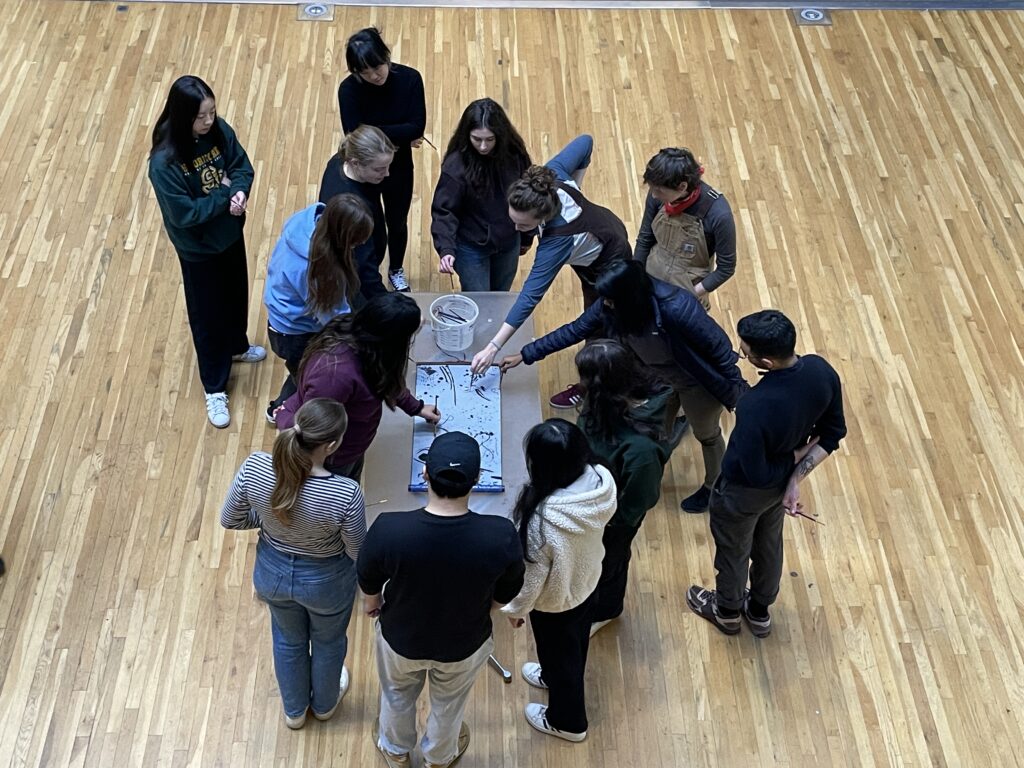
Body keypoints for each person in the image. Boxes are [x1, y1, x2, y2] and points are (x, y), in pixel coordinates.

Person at [500, 260, 748, 513]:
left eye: (609, 299)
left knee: (707, 435)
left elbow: (720, 351)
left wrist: (740, 396)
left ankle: (713, 487)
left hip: (695, 382)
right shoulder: (613, 303)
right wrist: (526, 354)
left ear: (630, 295)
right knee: (658, 428)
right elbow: (575, 329)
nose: (603, 303)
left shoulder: (677, 307)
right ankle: (663, 447)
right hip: (658, 380)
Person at [357, 432, 525, 768]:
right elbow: (506, 593)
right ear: (477, 479)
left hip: (401, 638)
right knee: (449, 704)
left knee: (397, 695)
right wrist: (483, 608)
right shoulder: (500, 534)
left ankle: (395, 750)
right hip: (464, 644)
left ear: (424, 475)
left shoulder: (390, 528)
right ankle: (438, 758)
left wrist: (372, 604)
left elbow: (368, 580)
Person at [686, 310, 846, 638]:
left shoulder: (754, 406)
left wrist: (793, 457)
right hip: (777, 489)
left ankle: (727, 612)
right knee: (769, 544)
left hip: (742, 491)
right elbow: (832, 434)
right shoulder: (821, 371)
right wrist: (793, 481)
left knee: (733, 550)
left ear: (766, 363)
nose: (741, 355)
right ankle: (759, 613)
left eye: (745, 352)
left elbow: (756, 472)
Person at [220, 398, 367, 729]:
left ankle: (295, 713)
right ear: (332, 445)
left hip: (271, 574)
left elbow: (230, 518)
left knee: (287, 640)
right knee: (329, 642)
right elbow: (357, 552)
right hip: (327, 583)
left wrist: (271, 523)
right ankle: (326, 706)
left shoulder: (255, 467)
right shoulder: (346, 493)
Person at [468, 134, 632, 409]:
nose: (516, 229)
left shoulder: (557, 242)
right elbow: (586, 142)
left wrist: (493, 347)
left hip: (608, 267)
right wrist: (577, 185)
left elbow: (530, 296)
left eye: (523, 225)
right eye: (513, 220)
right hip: (604, 234)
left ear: (542, 217)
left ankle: (592, 388)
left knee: (597, 334)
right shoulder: (547, 179)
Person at [148, 75, 265, 428]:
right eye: (202, 116)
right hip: (198, 249)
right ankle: (215, 387)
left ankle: (236, 345)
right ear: (183, 116)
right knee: (207, 314)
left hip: (229, 234)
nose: (210, 120)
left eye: (212, 112)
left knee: (236, 295)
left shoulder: (217, 131)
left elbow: (241, 166)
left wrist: (240, 191)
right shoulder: (164, 163)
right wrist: (223, 196)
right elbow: (185, 214)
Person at [501, 419, 616, 742]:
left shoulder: (543, 519)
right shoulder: (600, 479)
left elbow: (533, 576)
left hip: (556, 601)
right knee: (573, 645)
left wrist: (516, 610)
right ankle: (551, 674)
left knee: (563, 657)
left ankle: (568, 723)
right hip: (587, 580)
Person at [574, 341, 686, 636]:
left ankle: (605, 610)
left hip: (613, 521)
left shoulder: (641, 451)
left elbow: (639, 501)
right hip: (594, 502)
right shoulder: (602, 404)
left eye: (583, 377)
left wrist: (608, 524)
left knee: (610, 563)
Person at [274, 293, 440, 480]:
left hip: (351, 446)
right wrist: (285, 418)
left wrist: (416, 407)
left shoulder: (369, 341)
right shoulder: (334, 376)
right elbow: (312, 427)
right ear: (393, 339)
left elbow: (383, 375)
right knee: (342, 500)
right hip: (333, 458)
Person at [264, 194, 373, 420]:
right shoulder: (318, 270)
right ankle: (280, 410)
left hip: (287, 316)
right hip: (293, 332)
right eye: (356, 241)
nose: (360, 245)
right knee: (308, 376)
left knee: (302, 369)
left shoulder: (308, 222)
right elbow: (335, 321)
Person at [339, 27, 426, 293]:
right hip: (364, 170)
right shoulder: (349, 90)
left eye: (377, 67)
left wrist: (374, 129)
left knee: (397, 223)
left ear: (386, 56)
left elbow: (416, 128)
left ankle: (396, 269)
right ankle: (371, 275)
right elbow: (353, 135)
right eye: (365, 72)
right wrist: (399, 134)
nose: (374, 76)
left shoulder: (410, 79)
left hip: (399, 168)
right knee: (370, 225)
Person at [431, 98, 532, 291]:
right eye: (477, 139)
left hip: (509, 240)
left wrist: (527, 237)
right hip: (471, 247)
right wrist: (446, 248)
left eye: (490, 139)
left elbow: (527, 198)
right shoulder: (456, 167)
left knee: (500, 295)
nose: (483, 146)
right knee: (478, 300)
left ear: (500, 135)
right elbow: (444, 211)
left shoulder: (515, 155)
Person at [634, 148, 737, 309]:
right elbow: (645, 238)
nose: (653, 195)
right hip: (652, 276)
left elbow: (726, 268)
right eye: (652, 189)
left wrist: (690, 294)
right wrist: (636, 277)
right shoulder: (658, 193)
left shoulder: (718, 214)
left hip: (688, 288)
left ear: (682, 187)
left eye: (659, 190)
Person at [318, 125, 396, 304]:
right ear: (355, 163)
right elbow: (364, 272)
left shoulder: (338, 161)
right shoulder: (352, 210)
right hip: (350, 274)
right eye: (379, 169)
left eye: (388, 166)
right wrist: (389, 306)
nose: (387, 173)